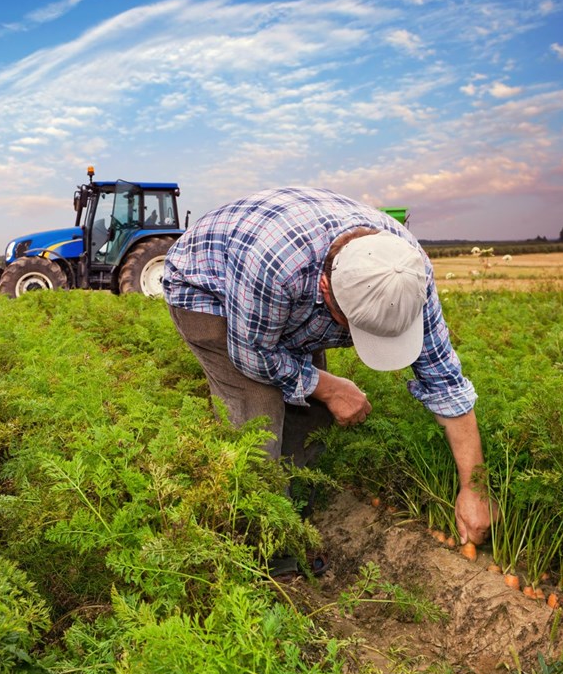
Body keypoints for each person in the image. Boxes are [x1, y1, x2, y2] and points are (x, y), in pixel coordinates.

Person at [162, 186, 492, 550]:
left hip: (284, 293)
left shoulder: (406, 272)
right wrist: (331, 387)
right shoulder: (276, 266)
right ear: (326, 288)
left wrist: (474, 489)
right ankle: (266, 548)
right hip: (210, 291)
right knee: (258, 420)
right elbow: (253, 356)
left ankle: (298, 512)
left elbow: (444, 381)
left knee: (312, 414)